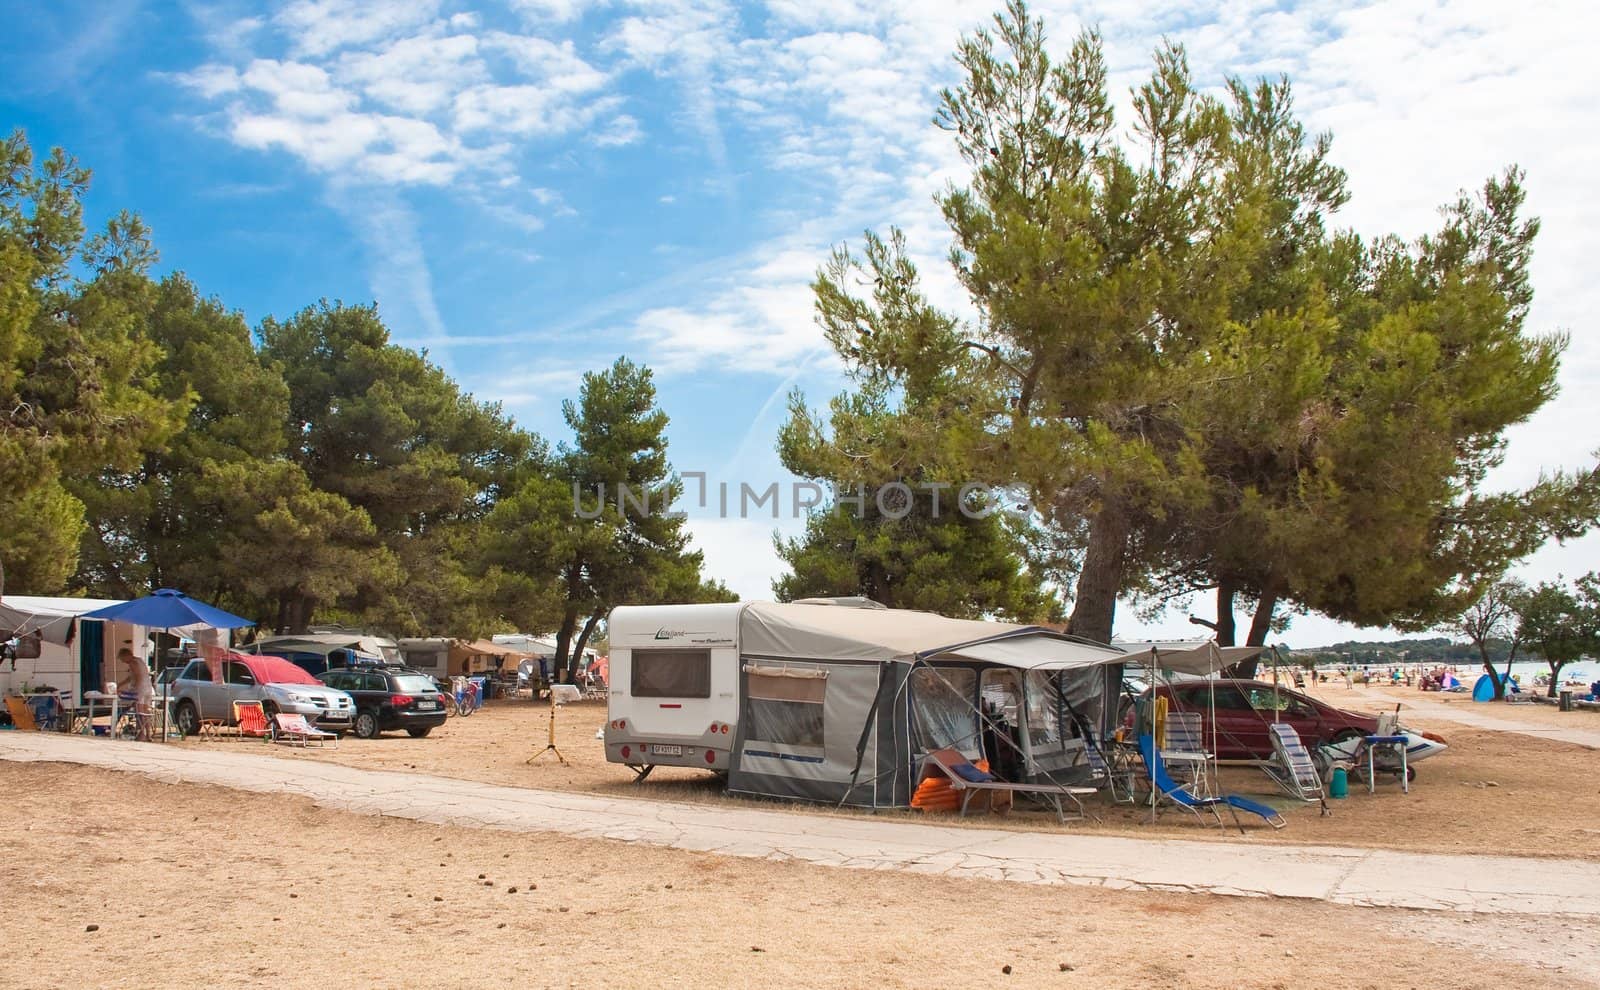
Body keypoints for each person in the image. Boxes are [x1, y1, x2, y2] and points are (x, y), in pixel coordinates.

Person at [115, 647, 155, 741]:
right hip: (148, 688)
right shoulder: (139, 660)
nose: (124, 662)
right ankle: (148, 735)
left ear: (126, 656)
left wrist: (134, 690)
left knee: (140, 712)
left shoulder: (133, 663)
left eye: (123, 659)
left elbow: (138, 676)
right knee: (145, 712)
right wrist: (120, 684)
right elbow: (131, 677)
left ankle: (142, 735)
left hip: (141, 689)